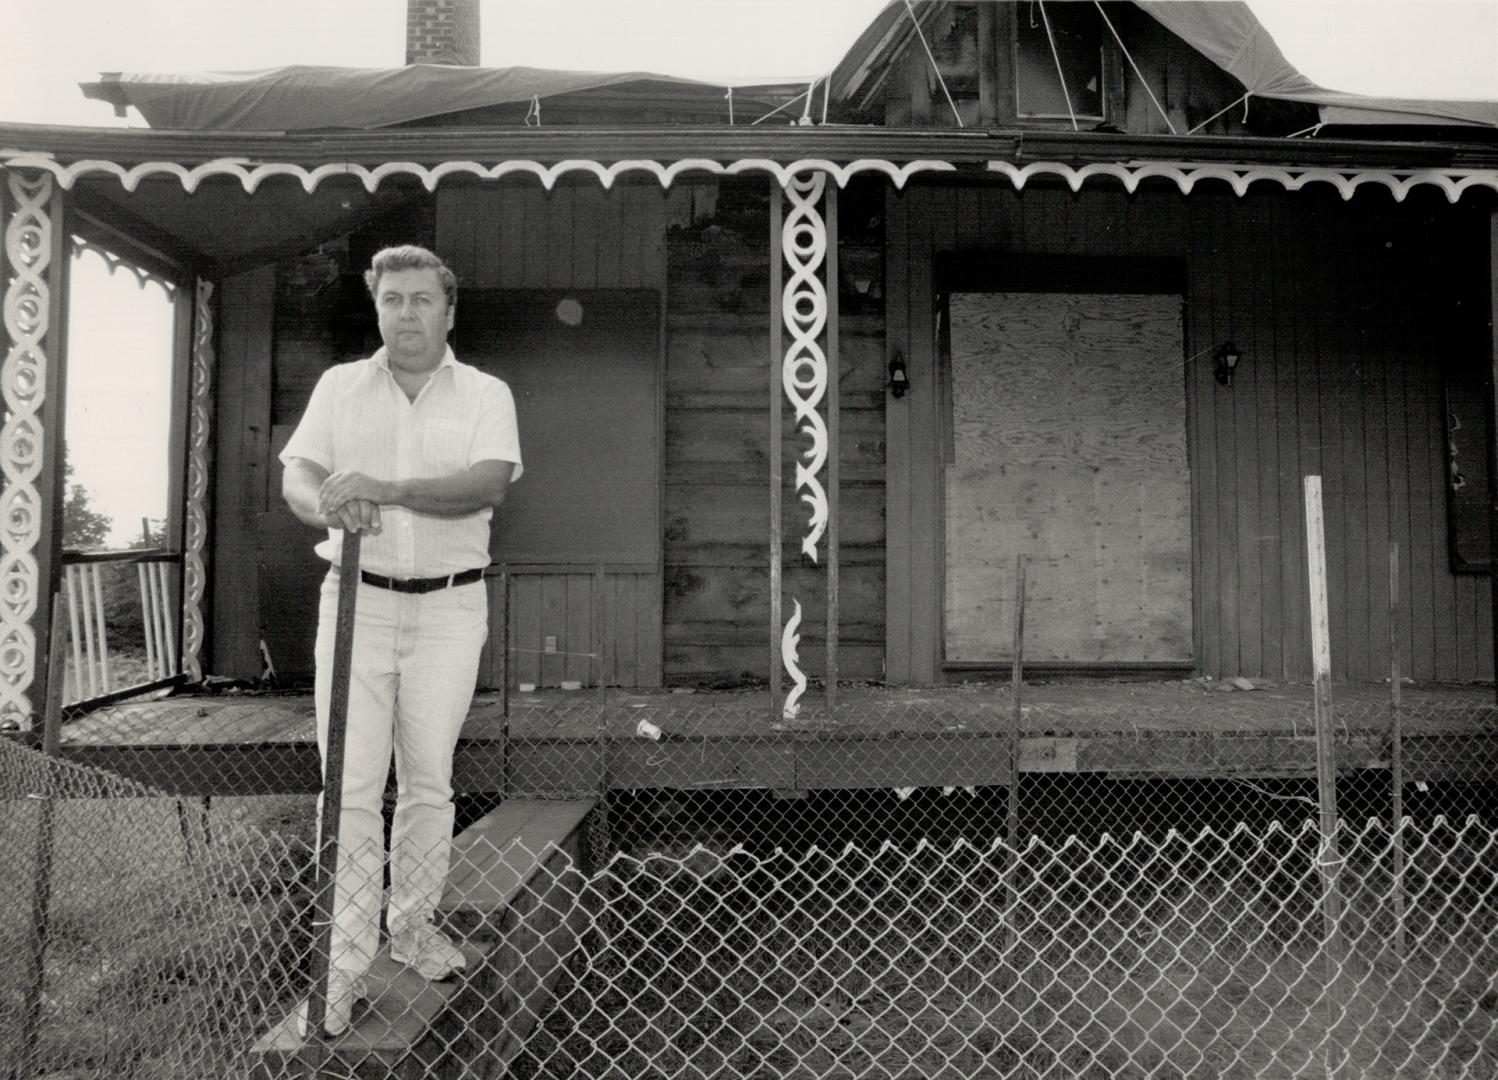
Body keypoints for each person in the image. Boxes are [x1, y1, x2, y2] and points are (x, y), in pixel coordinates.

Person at [279, 244, 521, 1036]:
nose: (407, 313)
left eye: (422, 300)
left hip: (450, 610)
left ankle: (412, 928)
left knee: (428, 784)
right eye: (393, 300)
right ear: (376, 307)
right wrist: (328, 508)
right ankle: (343, 967)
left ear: (449, 311)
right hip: (357, 603)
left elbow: (486, 483)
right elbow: (300, 475)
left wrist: (384, 488)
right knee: (348, 787)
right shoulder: (340, 388)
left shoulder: (486, 393)